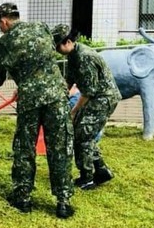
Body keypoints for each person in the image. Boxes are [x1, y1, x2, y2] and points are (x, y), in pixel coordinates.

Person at [0, 2, 75, 219]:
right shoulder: (41, 27)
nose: (0, 29)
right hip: (56, 98)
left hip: (30, 101)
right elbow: (48, 48)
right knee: (59, 147)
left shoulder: (5, 42)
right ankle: (63, 202)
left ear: (4, 21)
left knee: (25, 147)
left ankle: (23, 198)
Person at [52, 24, 121, 190]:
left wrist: (73, 111)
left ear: (68, 42)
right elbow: (69, 80)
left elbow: (89, 91)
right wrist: (59, 97)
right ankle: (101, 170)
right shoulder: (73, 55)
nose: (56, 50)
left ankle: (87, 177)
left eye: (57, 46)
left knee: (83, 136)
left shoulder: (84, 57)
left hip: (102, 99)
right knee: (82, 133)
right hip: (94, 98)